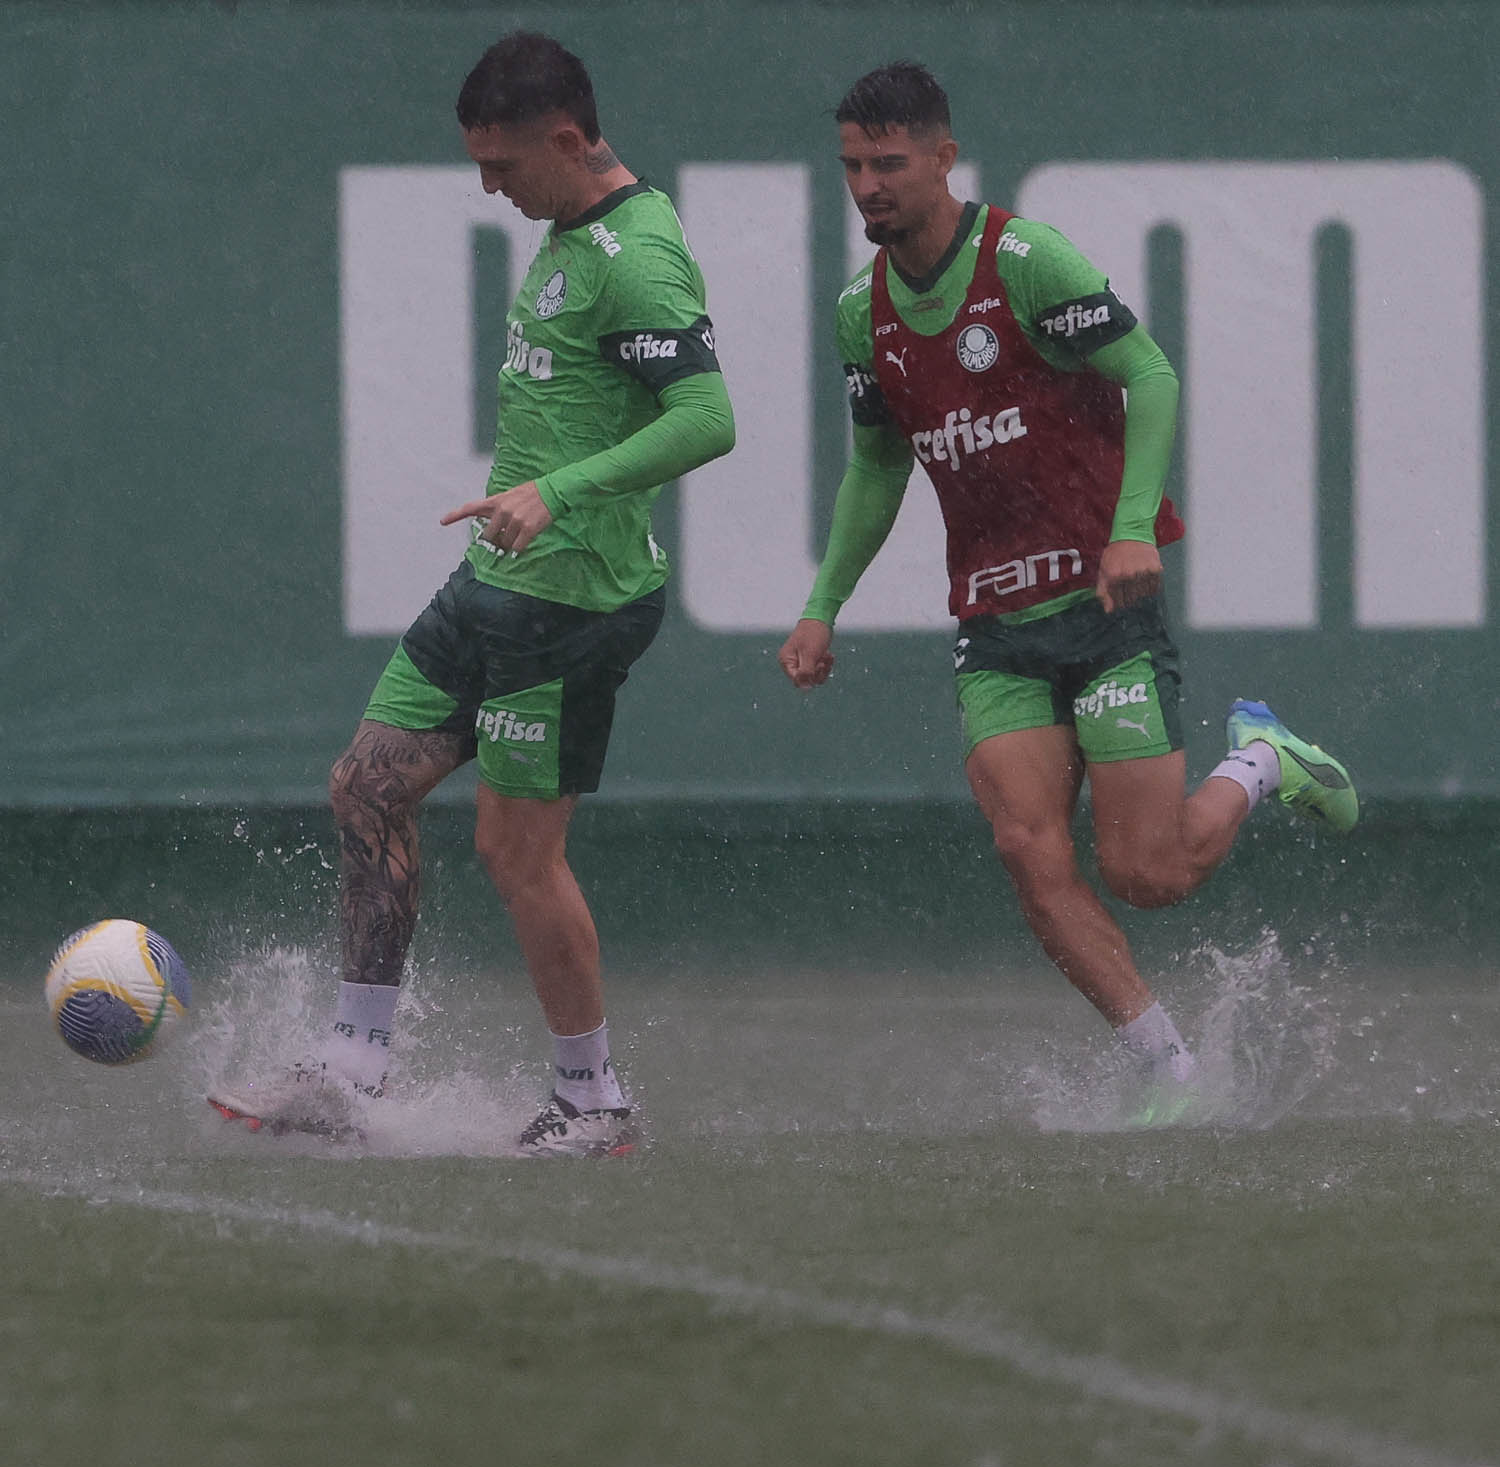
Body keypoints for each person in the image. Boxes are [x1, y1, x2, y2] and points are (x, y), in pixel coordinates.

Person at [777, 62, 1357, 1122]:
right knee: (1025, 848)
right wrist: (823, 604)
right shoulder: (861, 312)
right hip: (994, 624)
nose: (868, 184)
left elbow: (1152, 376)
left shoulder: (1026, 260)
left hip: (1103, 608)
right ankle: (1169, 1069)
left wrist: (1132, 528)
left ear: (945, 159)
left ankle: (1264, 757)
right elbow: (877, 462)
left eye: (890, 163)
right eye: (854, 164)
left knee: (1149, 872)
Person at [211, 31, 734, 1154]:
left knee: (516, 852)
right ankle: (353, 1068)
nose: (486, 185)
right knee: (364, 786)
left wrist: (559, 491)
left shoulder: (635, 256)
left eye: (500, 164)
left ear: (563, 138)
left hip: (575, 603)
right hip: (493, 583)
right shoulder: (565, 229)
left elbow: (708, 420)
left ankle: (595, 1102)